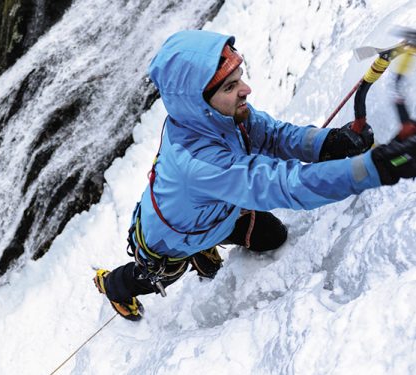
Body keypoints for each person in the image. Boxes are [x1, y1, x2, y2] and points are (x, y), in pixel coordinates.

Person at [93, 29, 416, 321]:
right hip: (171, 240)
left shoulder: (223, 115)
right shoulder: (199, 163)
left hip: (219, 212)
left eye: (240, 76)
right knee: (154, 277)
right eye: (231, 86)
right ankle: (111, 286)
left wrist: (328, 143)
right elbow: (287, 184)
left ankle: (206, 248)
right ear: (198, 102)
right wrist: (378, 167)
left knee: (272, 237)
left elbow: (273, 136)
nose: (246, 89)